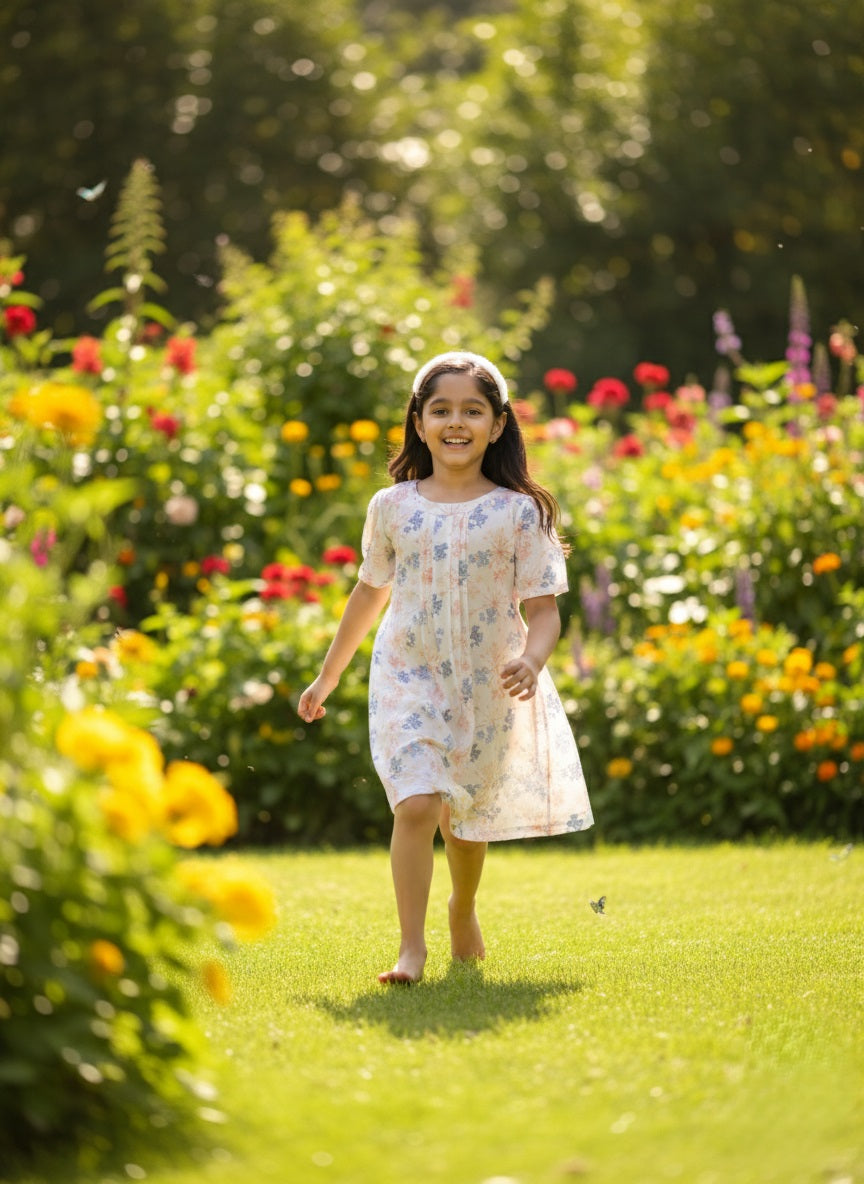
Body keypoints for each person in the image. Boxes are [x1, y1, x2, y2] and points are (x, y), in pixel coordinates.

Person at [297, 350, 593, 984]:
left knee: (465, 817)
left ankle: (463, 909)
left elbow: (544, 611)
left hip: (487, 681)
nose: (456, 422)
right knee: (417, 803)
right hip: (407, 672)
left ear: (497, 424)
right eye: (441, 410)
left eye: (472, 411)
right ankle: (411, 948)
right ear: (419, 422)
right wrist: (329, 675)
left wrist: (531, 659)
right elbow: (369, 592)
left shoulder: (520, 513)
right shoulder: (392, 506)